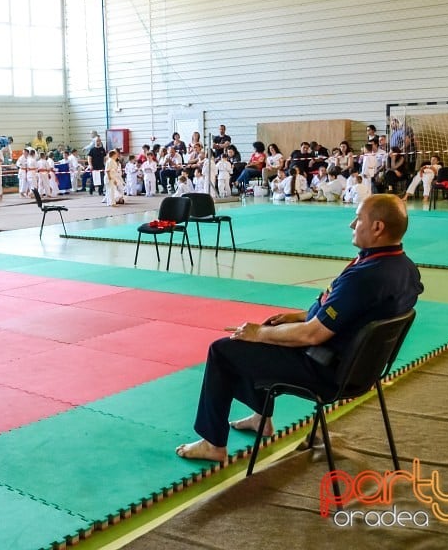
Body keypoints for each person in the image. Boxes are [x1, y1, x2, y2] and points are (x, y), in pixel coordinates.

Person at [175, 195, 422, 461]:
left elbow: (312, 335)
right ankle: (261, 418)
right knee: (265, 335)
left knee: (225, 350)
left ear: (377, 228)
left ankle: (213, 444)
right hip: (363, 370)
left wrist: (259, 333)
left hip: (327, 371)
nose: (352, 224)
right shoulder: (404, 268)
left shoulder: (365, 276)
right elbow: (351, 316)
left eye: (359, 218)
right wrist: (299, 316)